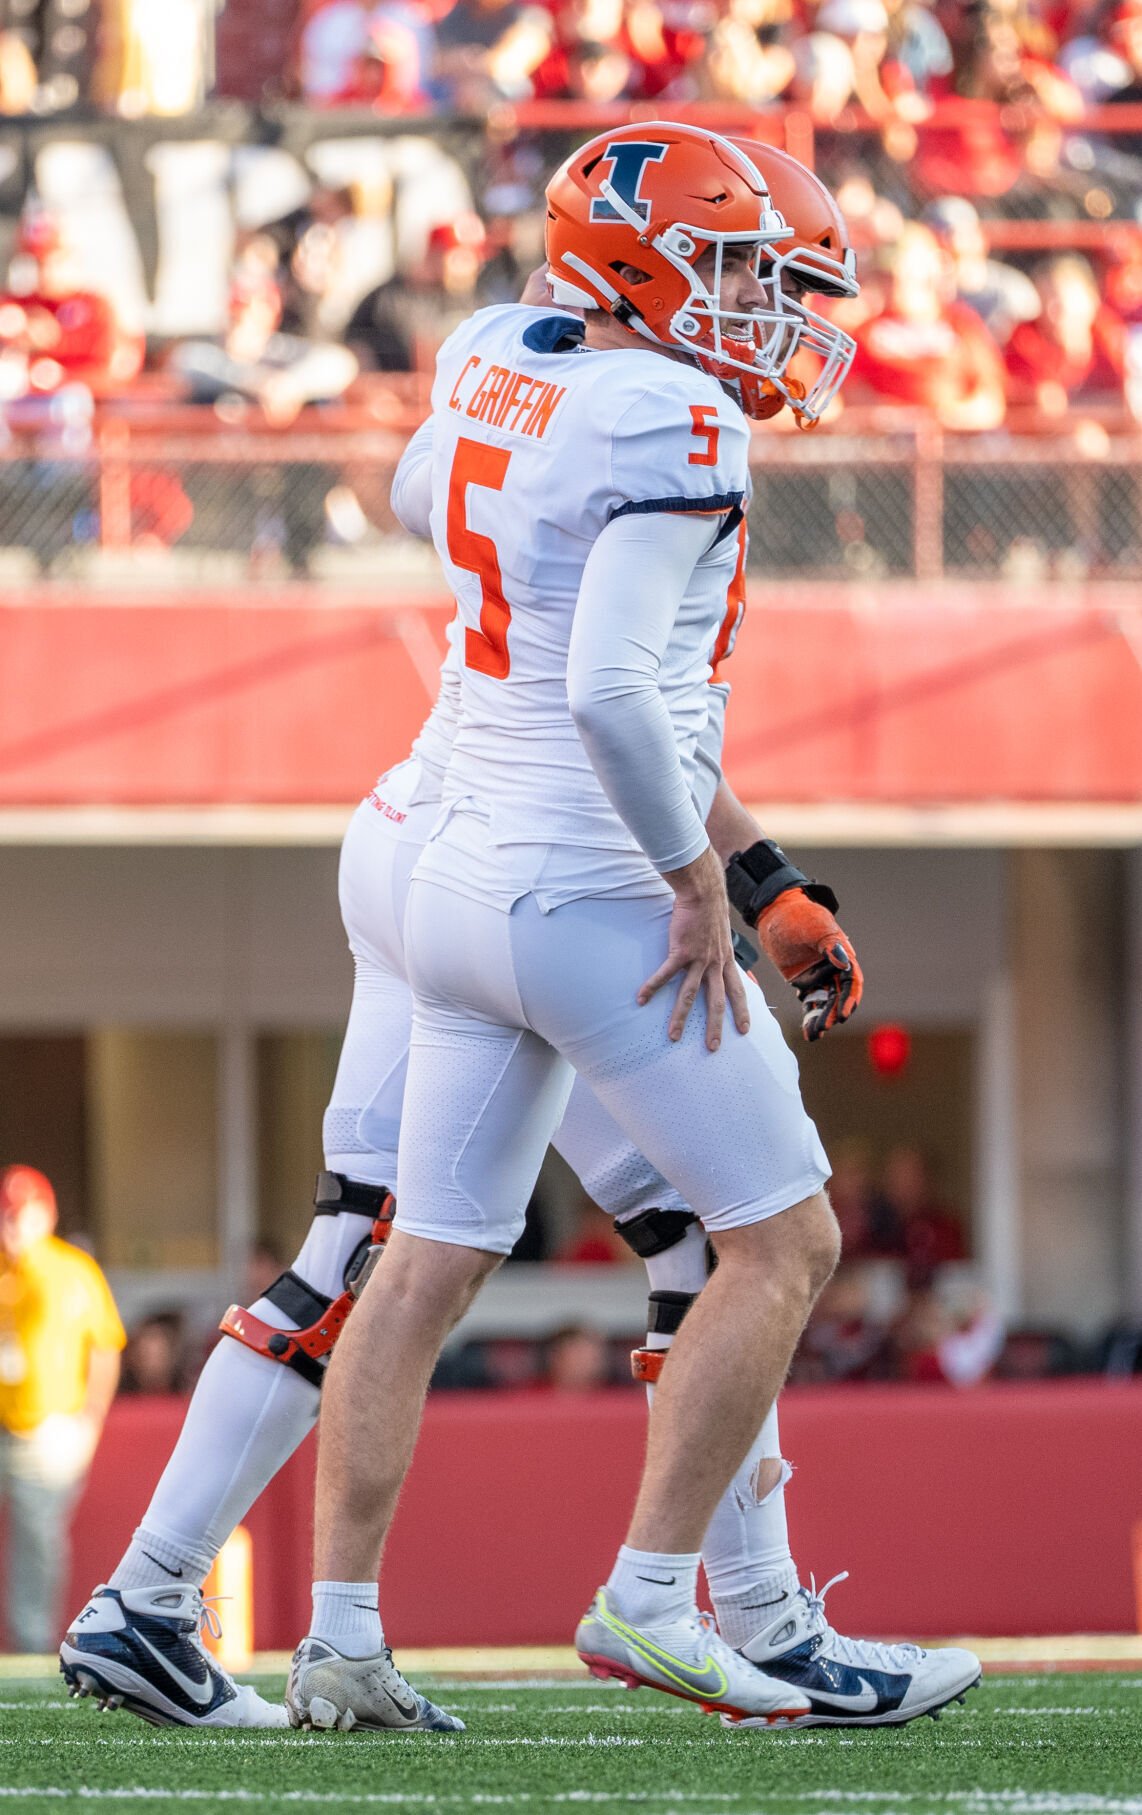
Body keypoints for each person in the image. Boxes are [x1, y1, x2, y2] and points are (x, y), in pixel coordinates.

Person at [62, 140, 975, 1735]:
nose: (767, 309)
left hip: (432, 841)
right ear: (641, 263)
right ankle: (709, 1606)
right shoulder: (679, 421)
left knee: (385, 1249)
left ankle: (250, 1608)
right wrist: (703, 882)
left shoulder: (502, 352)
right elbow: (617, 692)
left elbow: (456, 519)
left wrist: (753, 869)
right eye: (741, 272)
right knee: (757, 1240)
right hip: (574, 879)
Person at [0, 1165, 125, 1653]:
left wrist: (89, 1419)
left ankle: (31, 1644)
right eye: (8, 1217)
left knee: (38, 1541)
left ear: (45, 1215)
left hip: (48, 1428)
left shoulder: (72, 1269)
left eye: (22, 1216)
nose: (14, 1227)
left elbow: (105, 1346)